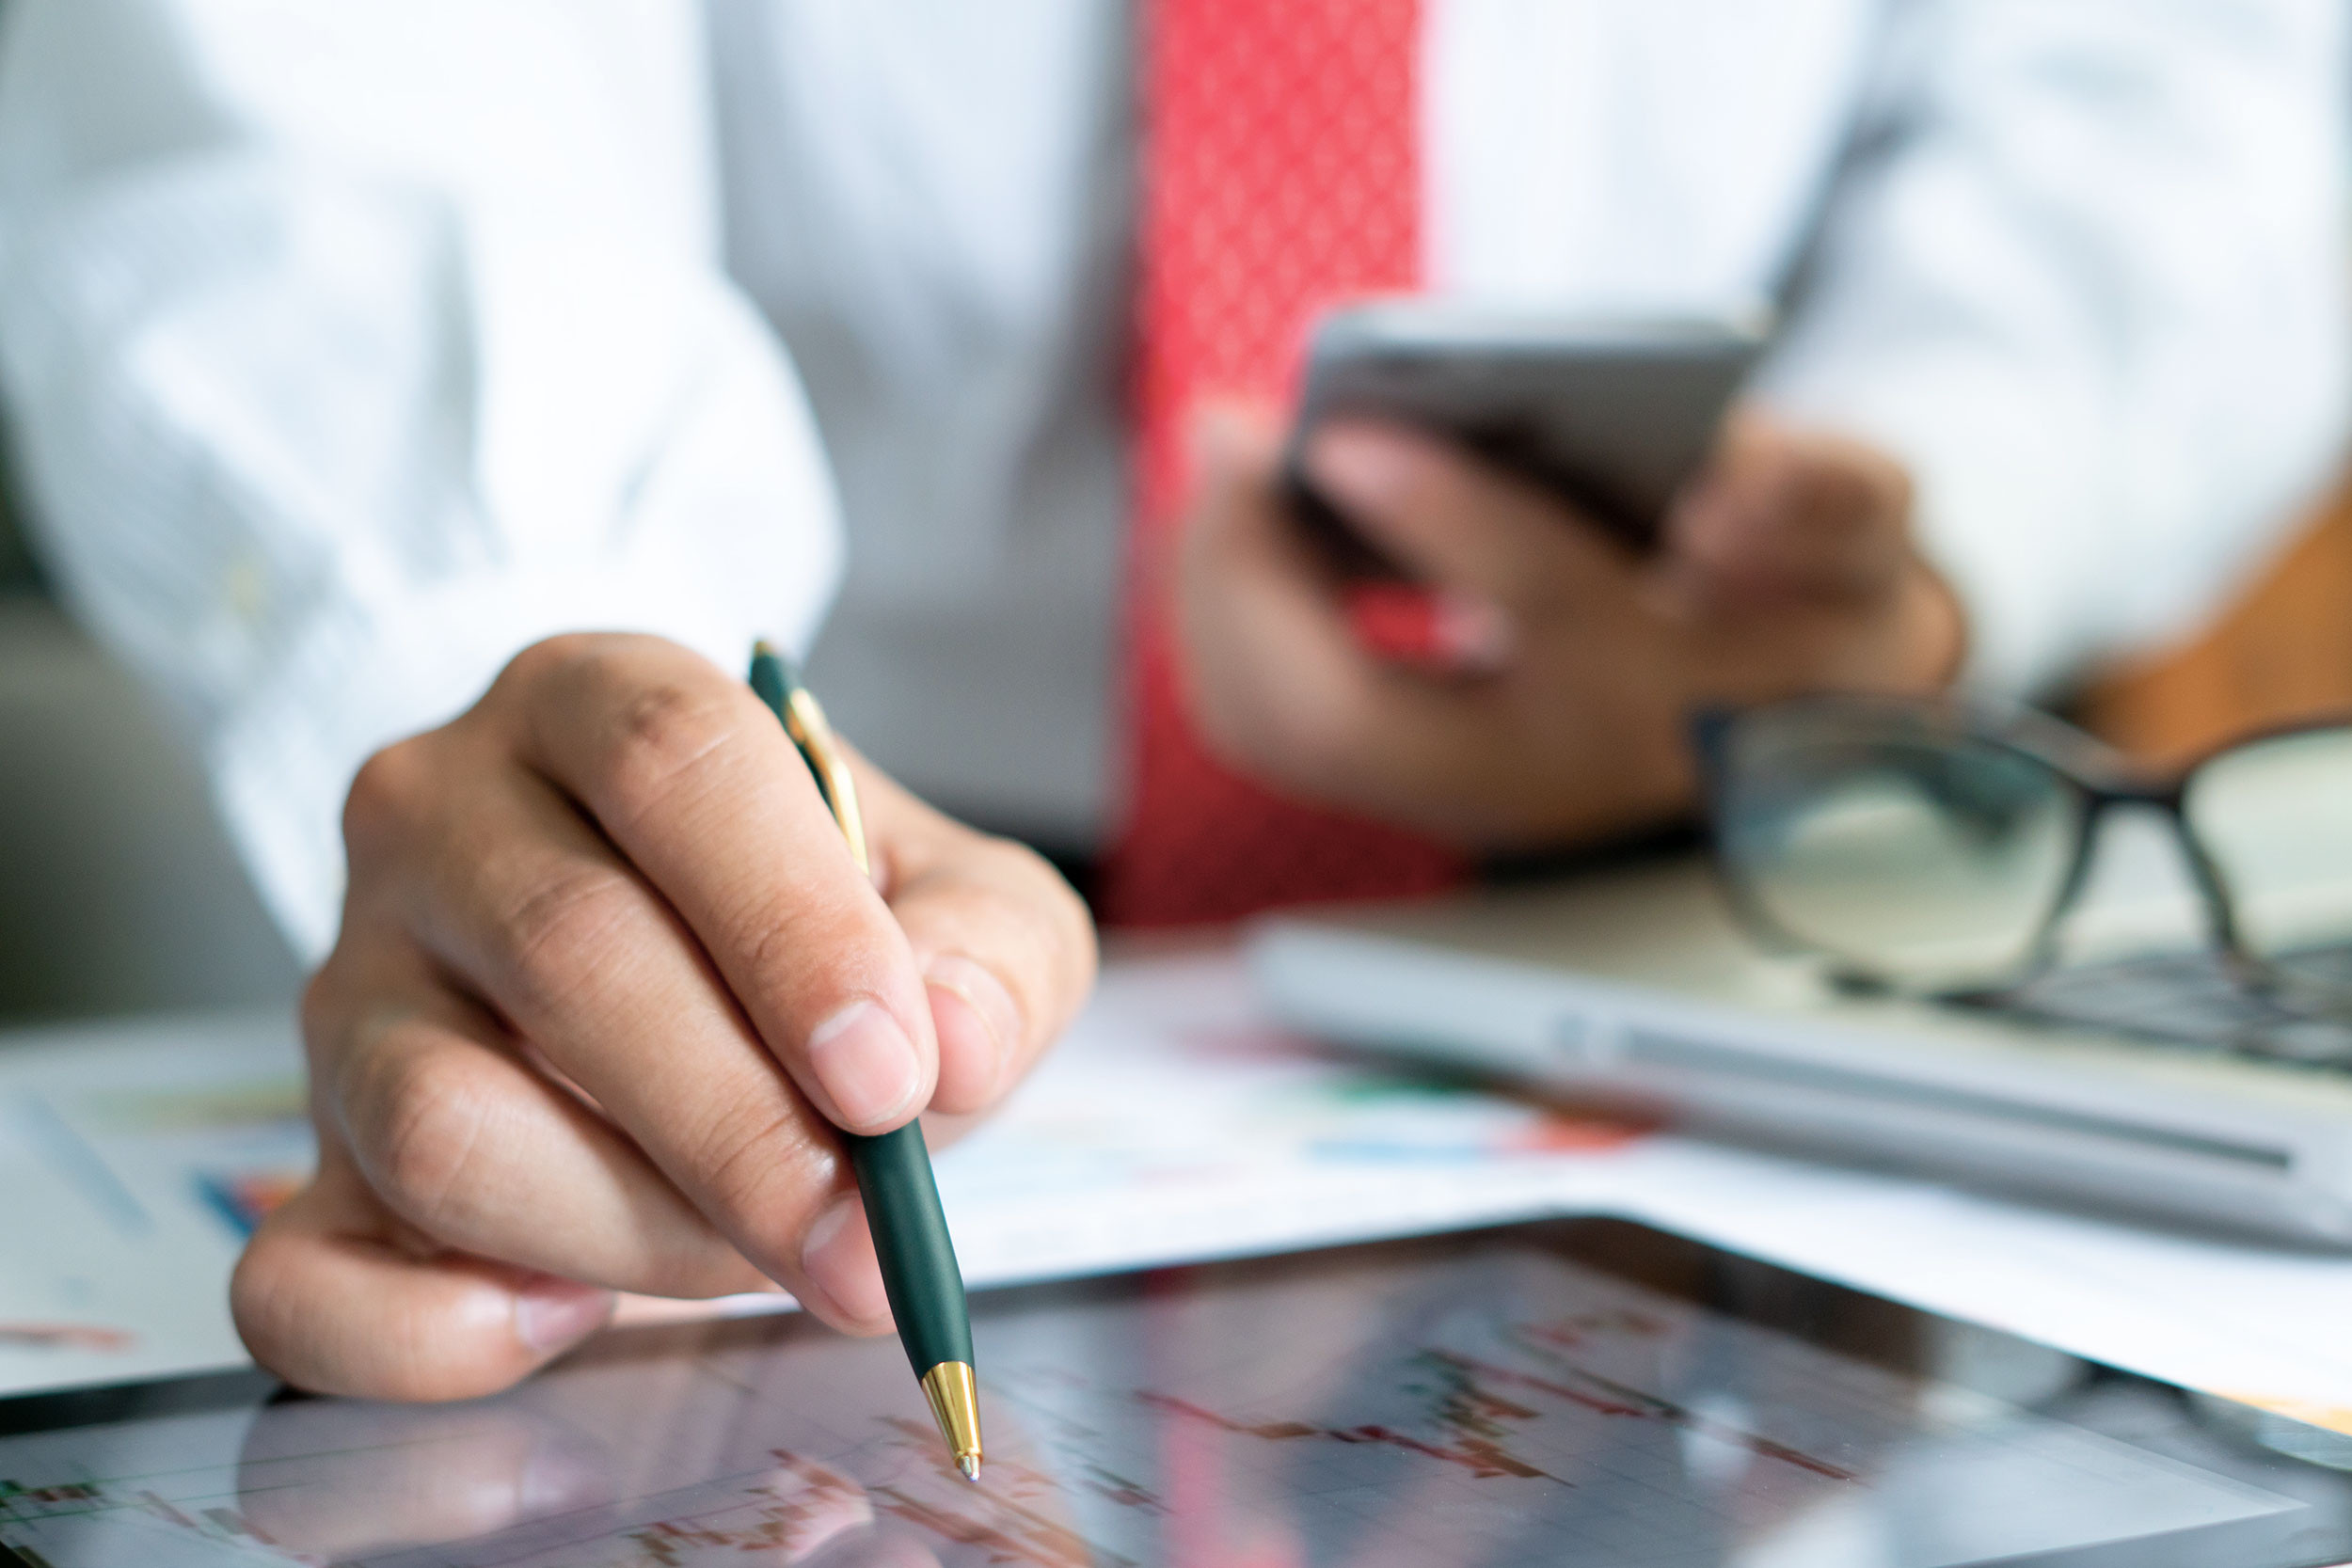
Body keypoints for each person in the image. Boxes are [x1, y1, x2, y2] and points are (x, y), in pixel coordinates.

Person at [0, 0, 2341, 1402]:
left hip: (1718, 866)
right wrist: (520, 643)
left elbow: (2188, 77)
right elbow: (359, 91)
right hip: (823, 870)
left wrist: (1914, 523)